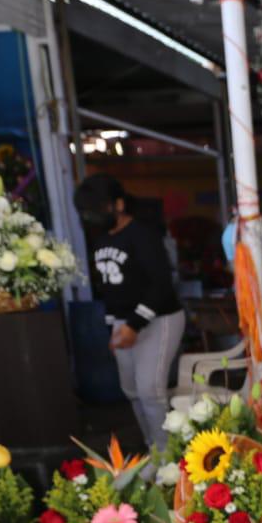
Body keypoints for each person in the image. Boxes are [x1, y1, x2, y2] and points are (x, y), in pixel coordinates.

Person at [73, 174, 184, 449]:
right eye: (86, 212)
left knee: (149, 389)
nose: (92, 217)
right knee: (131, 391)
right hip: (124, 322)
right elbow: (108, 289)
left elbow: (161, 286)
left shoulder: (143, 235)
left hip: (159, 318)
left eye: (97, 210)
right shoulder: (99, 241)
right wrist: (115, 326)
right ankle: (153, 448)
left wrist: (134, 325)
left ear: (118, 204)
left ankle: (167, 454)